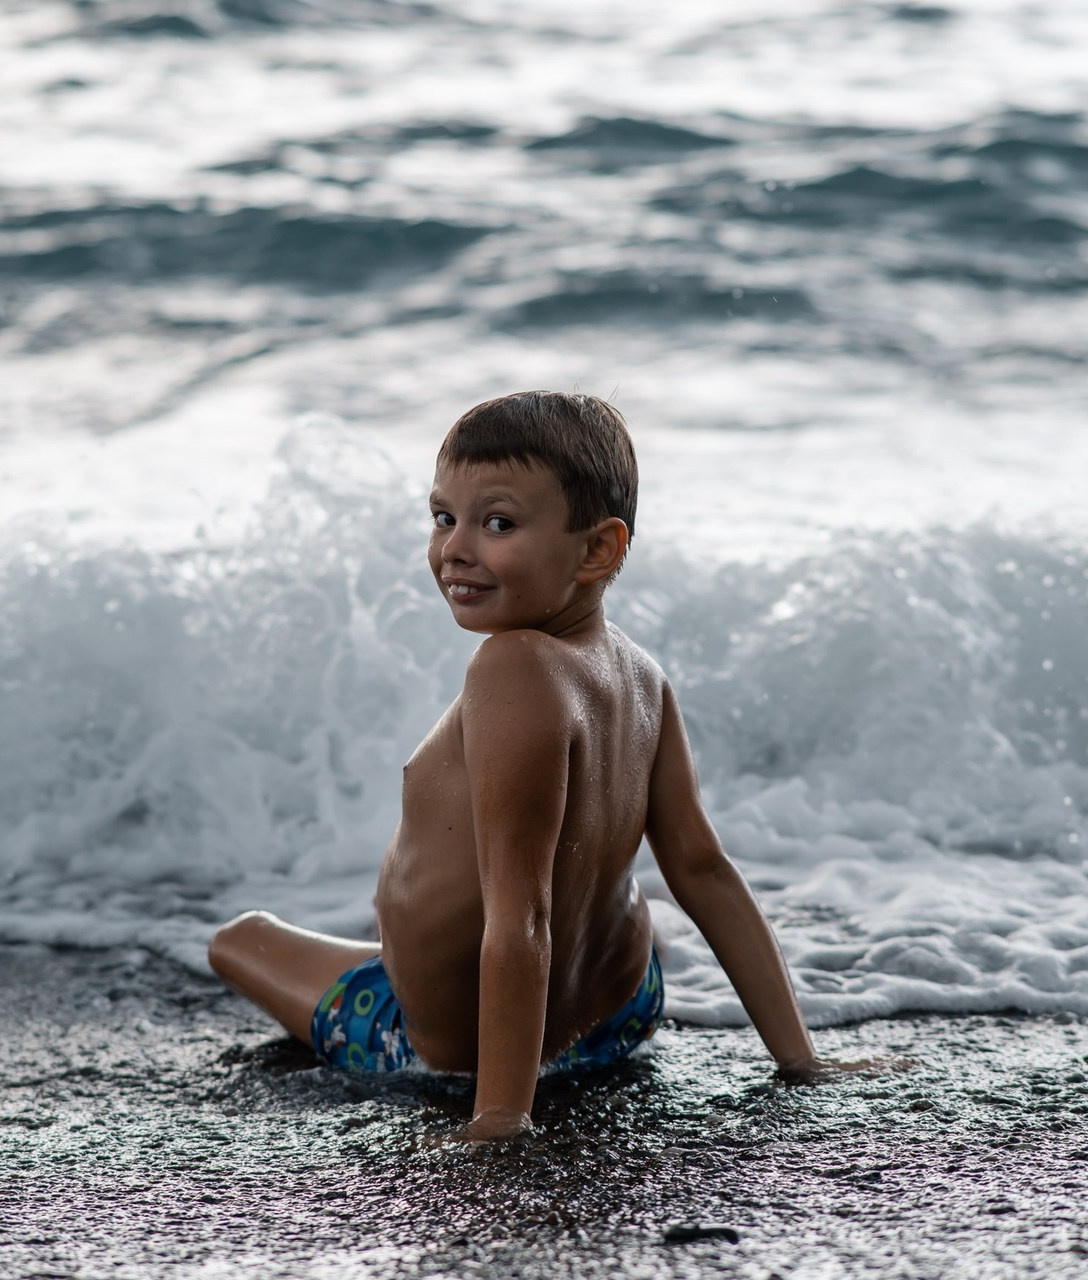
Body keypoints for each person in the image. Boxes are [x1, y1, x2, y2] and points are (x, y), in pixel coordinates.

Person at [210, 390, 854, 1141]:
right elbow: (703, 871)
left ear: (597, 551)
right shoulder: (644, 677)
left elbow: (524, 912)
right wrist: (799, 1059)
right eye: (443, 516)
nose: (455, 548)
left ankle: (477, 1056)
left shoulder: (511, 669)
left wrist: (501, 1114)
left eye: (498, 523)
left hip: (465, 1047)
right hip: (618, 1015)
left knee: (240, 938)